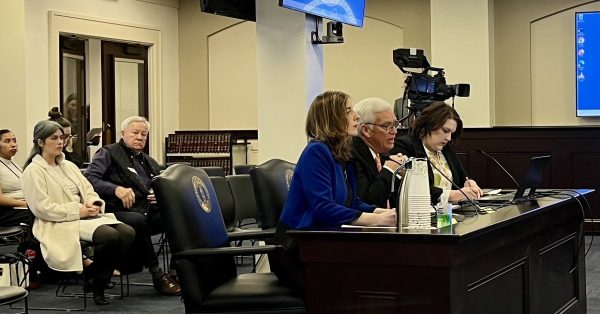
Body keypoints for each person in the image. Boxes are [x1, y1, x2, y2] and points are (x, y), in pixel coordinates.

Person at [273, 91, 397, 291]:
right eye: (349, 111)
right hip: (301, 250)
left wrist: (381, 212)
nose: (356, 116)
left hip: (324, 242)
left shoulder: (340, 153)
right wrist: (372, 220)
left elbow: (351, 201)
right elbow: (323, 207)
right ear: (331, 119)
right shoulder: (316, 152)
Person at [21, 120, 135, 305]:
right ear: (40, 143)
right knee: (110, 236)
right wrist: (78, 211)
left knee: (128, 232)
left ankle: (93, 275)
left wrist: (94, 203)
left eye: (62, 138)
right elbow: (42, 208)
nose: (61, 142)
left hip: (83, 215)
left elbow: (89, 190)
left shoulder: (69, 166)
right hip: (56, 222)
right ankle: (98, 283)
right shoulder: (33, 172)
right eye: (54, 138)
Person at [84, 116, 181, 296]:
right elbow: (89, 179)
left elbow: (157, 185)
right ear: (123, 134)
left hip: (145, 209)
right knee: (137, 220)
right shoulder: (108, 153)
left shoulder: (149, 162)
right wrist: (116, 189)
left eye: (144, 134)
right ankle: (157, 274)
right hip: (116, 210)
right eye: (135, 133)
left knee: (178, 217)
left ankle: (178, 271)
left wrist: (158, 195)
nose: (139, 137)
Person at [390, 101, 483, 204]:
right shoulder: (405, 146)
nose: (448, 138)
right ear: (430, 124)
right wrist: (451, 195)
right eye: (445, 130)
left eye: (452, 133)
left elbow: (463, 177)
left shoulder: (446, 149)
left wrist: (469, 183)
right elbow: (412, 187)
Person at [351, 98, 407, 208]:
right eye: (386, 126)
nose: (394, 131)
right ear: (366, 130)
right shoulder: (352, 154)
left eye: (395, 124)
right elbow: (367, 202)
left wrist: (404, 175)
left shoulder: (381, 154)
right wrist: (389, 170)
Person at [0, 129, 33, 227]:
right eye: (7, 141)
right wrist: (25, 204)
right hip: (7, 211)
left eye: (14, 140)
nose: (13, 144)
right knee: (39, 215)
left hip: (22, 205)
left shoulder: (13, 162)